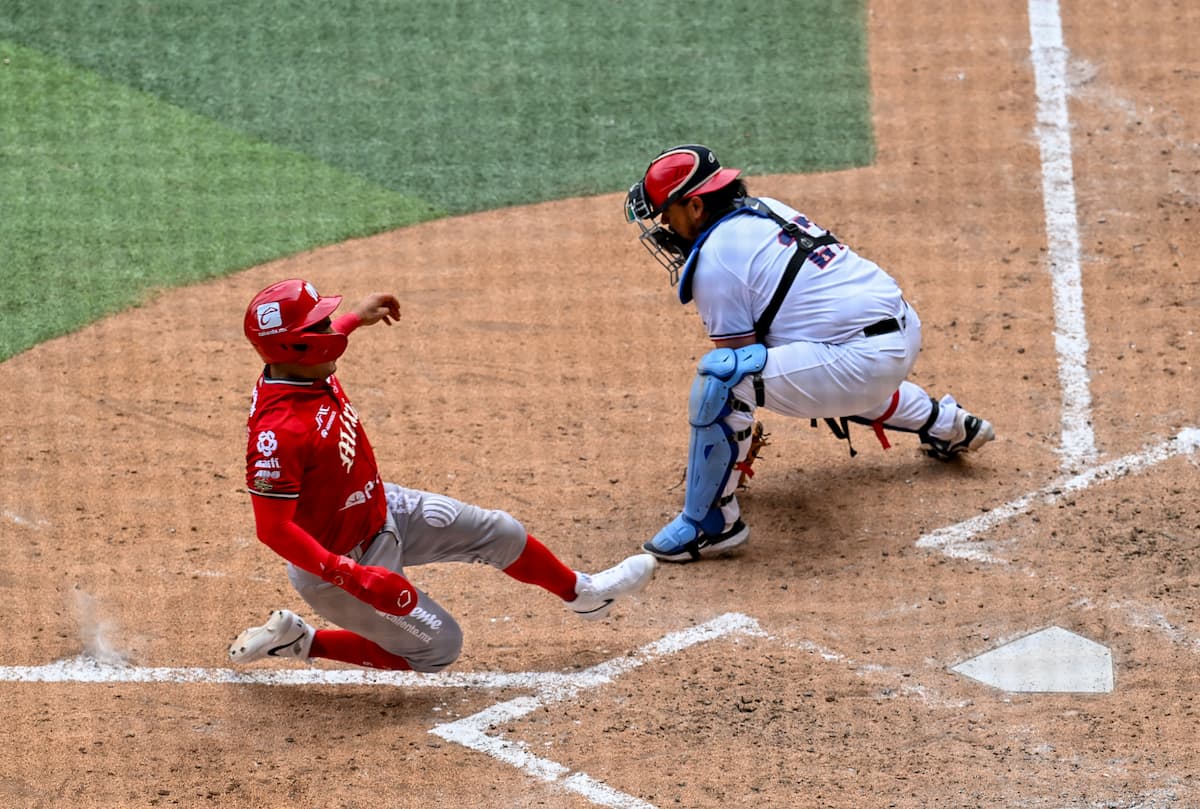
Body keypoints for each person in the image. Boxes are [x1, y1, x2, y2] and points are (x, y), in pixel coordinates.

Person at [228, 279, 656, 672]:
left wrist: (356, 317)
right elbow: (273, 529)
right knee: (439, 648)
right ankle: (303, 642)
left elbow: (319, 340)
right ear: (297, 347)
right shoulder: (279, 433)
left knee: (501, 532)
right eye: (321, 326)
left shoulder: (302, 368)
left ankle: (585, 595)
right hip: (339, 564)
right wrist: (352, 576)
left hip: (381, 507)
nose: (331, 331)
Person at [624, 144, 995, 564]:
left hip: (865, 363)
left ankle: (710, 523)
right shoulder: (765, 209)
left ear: (695, 206)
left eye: (666, 213)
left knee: (724, 379)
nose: (663, 226)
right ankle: (948, 424)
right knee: (818, 363)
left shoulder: (715, 262)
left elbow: (738, 365)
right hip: (902, 330)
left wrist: (725, 455)